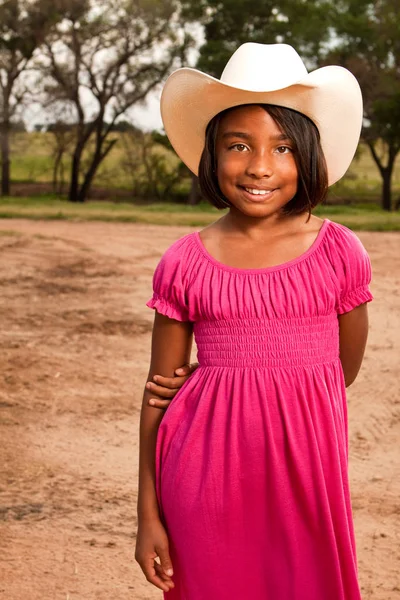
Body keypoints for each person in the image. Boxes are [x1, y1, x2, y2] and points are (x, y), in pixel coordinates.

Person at [135, 42, 374, 599]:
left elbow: (341, 372)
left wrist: (262, 371)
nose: (260, 166)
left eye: (283, 148)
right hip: (201, 483)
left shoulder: (340, 253)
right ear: (212, 156)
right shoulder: (183, 262)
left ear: (309, 155)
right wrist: (148, 512)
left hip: (306, 484)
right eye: (237, 145)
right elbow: (156, 396)